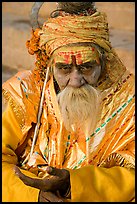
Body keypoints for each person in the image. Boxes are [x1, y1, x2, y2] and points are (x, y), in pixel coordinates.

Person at [2, 2, 135, 202]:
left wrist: (74, 185)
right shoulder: (27, 93)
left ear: (104, 63)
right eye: (64, 69)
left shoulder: (129, 101)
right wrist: (33, 195)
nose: (75, 80)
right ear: (49, 66)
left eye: (87, 67)